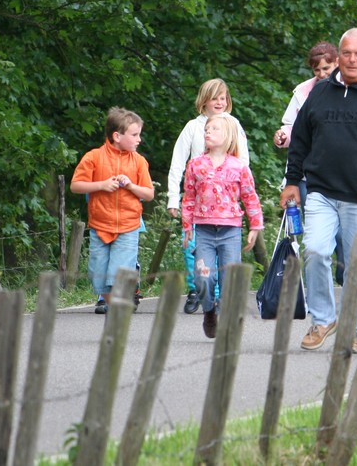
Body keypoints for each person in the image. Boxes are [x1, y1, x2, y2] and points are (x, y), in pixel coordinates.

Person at [280, 28, 357, 352]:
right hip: (321, 192)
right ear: (338, 56)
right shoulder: (320, 93)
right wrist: (292, 181)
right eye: (346, 53)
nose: (352, 59)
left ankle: (352, 329)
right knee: (316, 251)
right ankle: (323, 320)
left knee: (356, 266)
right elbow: (300, 139)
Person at [168, 79, 250, 313]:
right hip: (198, 202)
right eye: (214, 98)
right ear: (204, 100)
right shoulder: (193, 127)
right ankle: (198, 290)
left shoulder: (233, 124)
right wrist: (173, 198)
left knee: (226, 253)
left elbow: (243, 161)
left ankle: (221, 297)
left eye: (223, 98)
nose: (219, 102)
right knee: (193, 248)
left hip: (225, 204)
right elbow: (177, 163)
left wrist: (242, 194)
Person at [181, 115, 263, 338]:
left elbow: (250, 197)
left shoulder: (239, 167)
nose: (208, 132)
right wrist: (187, 227)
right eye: (206, 129)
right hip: (204, 231)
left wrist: (255, 226)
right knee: (203, 277)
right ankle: (209, 311)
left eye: (214, 129)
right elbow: (188, 197)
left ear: (228, 136)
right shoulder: (195, 165)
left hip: (230, 232)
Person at [273, 42, 345, 284]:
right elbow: (292, 127)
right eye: (317, 70)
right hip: (307, 174)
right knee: (313, 229)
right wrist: (283, 136)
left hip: (340, 172)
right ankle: (313, 280)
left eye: (327, 68)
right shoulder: (303, 93)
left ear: (337, 63)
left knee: (342, 232)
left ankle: (344, 271)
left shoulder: (348, 89)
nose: (322, 74)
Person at [70, 107, 155, 314]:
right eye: (134, 135)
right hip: (100, 226)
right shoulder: (93, 157)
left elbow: (149, 194)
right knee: (98, 274)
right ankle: (111, 302)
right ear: (117, 136)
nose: (139, 139)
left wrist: (131, 186)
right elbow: (75, 186)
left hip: (128, 226)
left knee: (118, 272)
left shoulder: (139, 161)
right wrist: (101, 185)